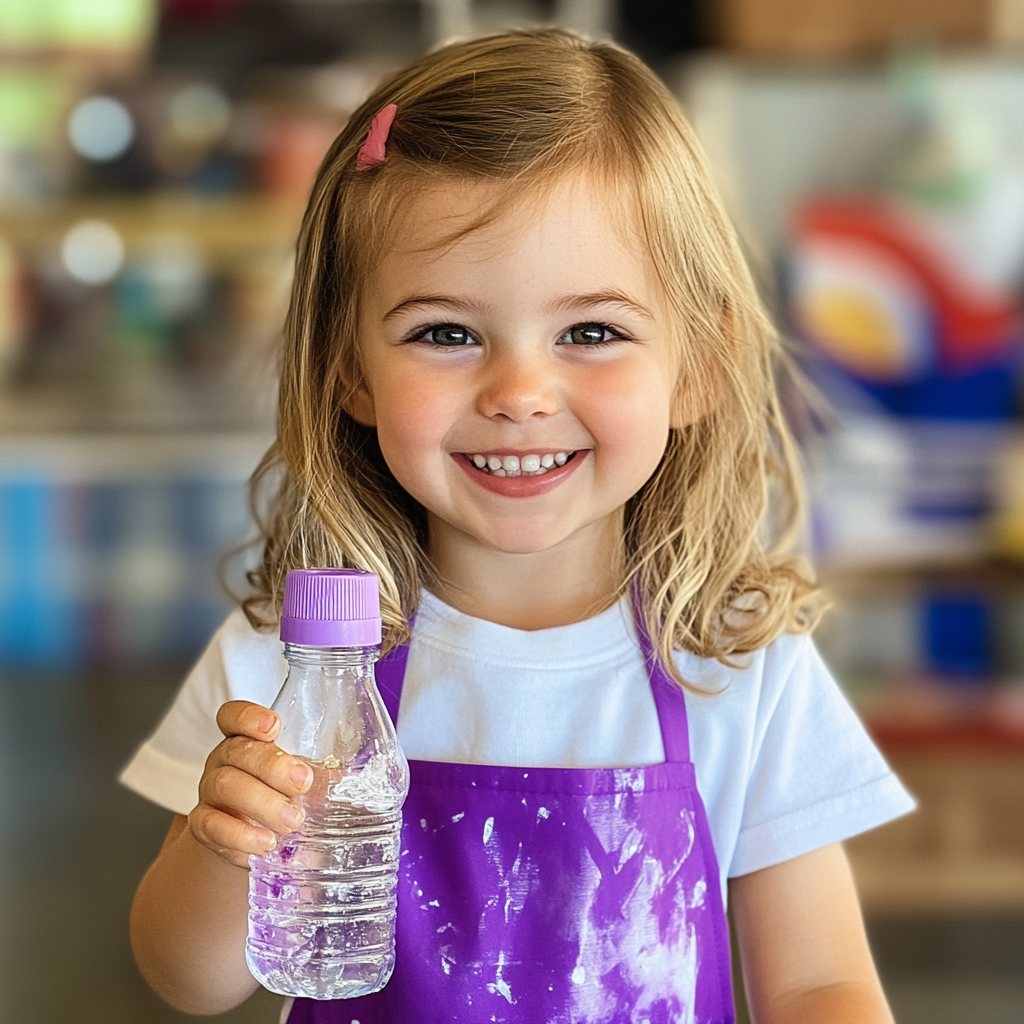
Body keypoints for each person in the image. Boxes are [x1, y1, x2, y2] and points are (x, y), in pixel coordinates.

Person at [123, 28, 913, 1024]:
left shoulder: (739, 666)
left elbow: (816, 982)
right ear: (349, 370)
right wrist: (221, 840)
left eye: (591, 331)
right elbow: (186, 978)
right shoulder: (287, 670)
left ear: (699, 365)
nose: (521, 391)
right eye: (445, 333)